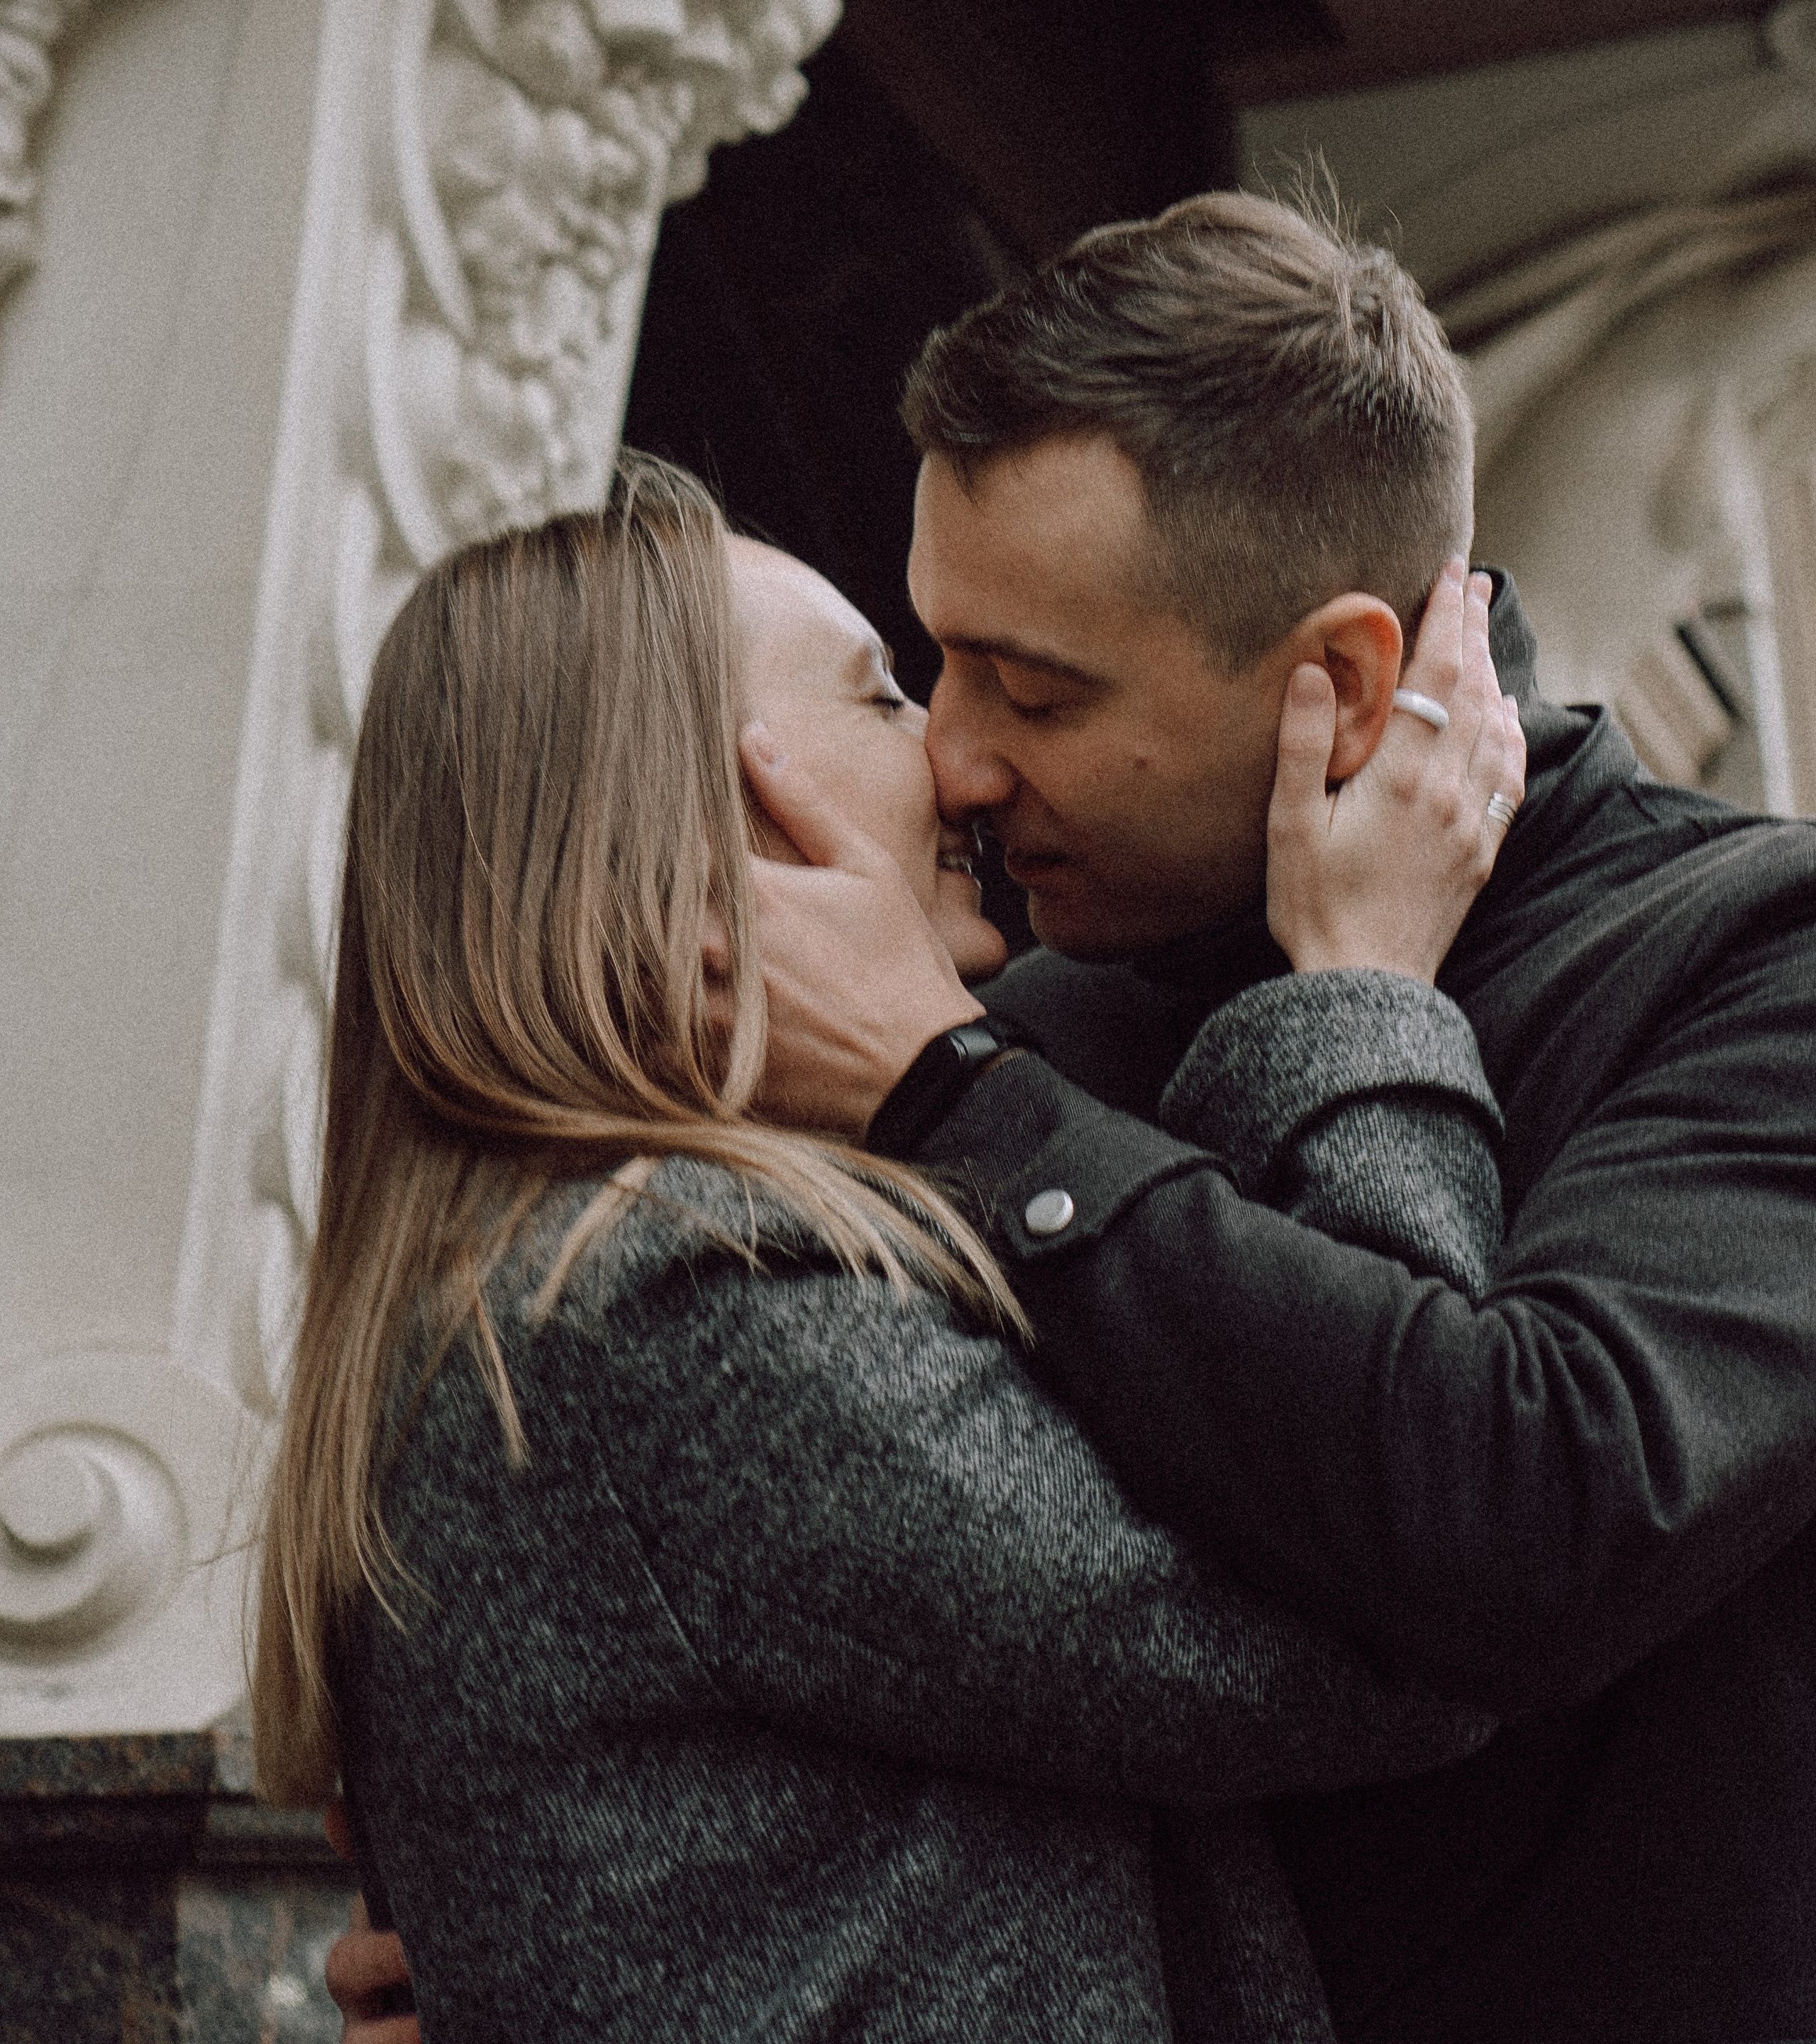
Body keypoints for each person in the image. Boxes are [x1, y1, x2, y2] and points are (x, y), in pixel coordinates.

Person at [735, 190, 1816, 2044]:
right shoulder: (1012, 1011)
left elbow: (1529, 1515)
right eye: (940, 655)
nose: (955, 753)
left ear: (1349, 682)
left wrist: (963, 1108)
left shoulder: (1753, 962)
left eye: (1037, 687)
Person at [268, 448, 1524, 2043]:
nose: (953, 756)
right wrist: (1361, 986)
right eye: (879, 697)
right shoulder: (681, 1315)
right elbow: (1402, 1613)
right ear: (698, 822)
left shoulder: (562, 1288)